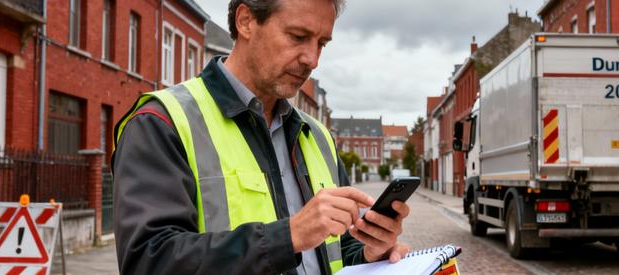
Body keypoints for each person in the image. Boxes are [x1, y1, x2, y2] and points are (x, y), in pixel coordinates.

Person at [111, 0, 411, 274]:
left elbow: (335, 252)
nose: (312, 59)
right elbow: (147, 261)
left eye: (322, 43)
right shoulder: (162, 122)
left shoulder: (317, 136)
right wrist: (288, 236)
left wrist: (369, 255)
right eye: (297, 36)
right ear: (246, 21)